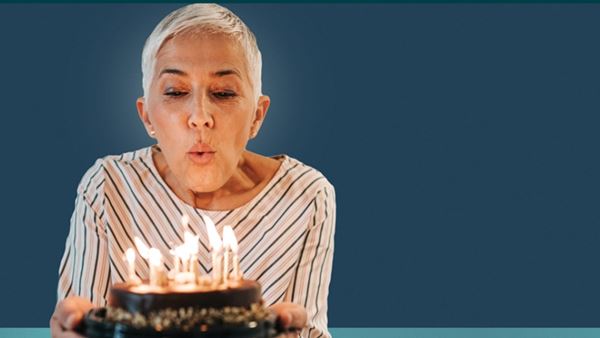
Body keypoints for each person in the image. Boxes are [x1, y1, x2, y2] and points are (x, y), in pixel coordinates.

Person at [49, 4, 336, 338]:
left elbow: (308, 330)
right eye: (176, 92)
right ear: (146, 117)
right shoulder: (108, 187)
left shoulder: (305, 195)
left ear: (258, 115)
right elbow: (87, 323)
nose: (200, 116)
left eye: (223, 93)